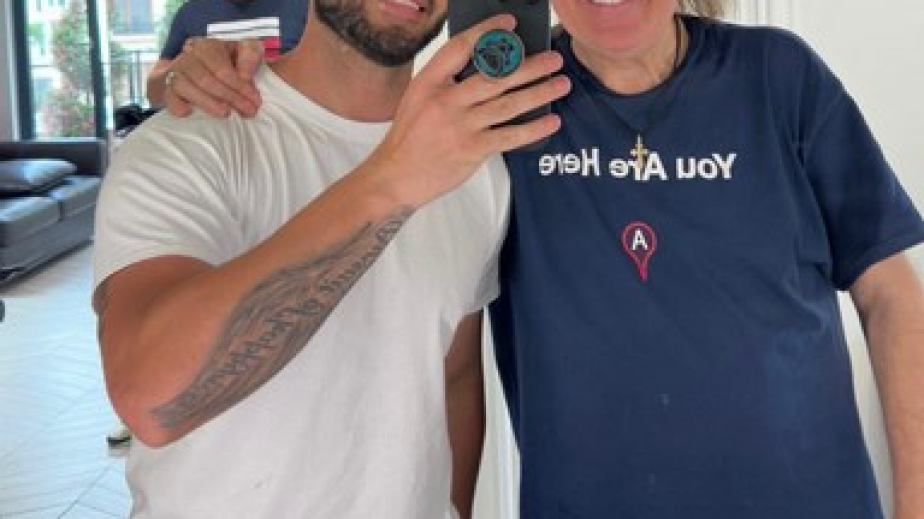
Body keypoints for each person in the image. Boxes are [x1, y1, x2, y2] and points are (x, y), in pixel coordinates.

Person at [149, 0, 924, 517]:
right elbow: (353, 132)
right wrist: (196, 68)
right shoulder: (495, 106)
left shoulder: (781, 76)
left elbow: (892, 293)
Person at [92, 0, 569, 516]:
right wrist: (392, 180)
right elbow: (155, 404)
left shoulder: (475, 164)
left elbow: (453, 377)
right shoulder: (187, 144)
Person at [145, 0, 309, 107]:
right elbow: (153, 92)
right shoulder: (190, 12)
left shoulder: (304, 6)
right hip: (214, 133)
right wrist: (175, 74)